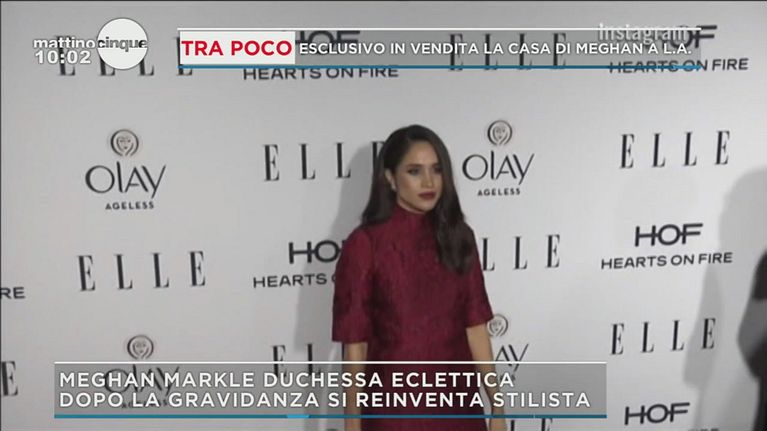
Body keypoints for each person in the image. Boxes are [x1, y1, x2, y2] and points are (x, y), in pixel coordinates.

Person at [332, 124, 505, 431]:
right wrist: (352, 426)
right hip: (394, 412)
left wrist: (498, 407)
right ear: (390, 178)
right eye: (414, 171)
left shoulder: (459, 236)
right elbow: (355, 345)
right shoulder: (365, 244)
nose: (428, 182)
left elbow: (476, 328)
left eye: (436, 170)